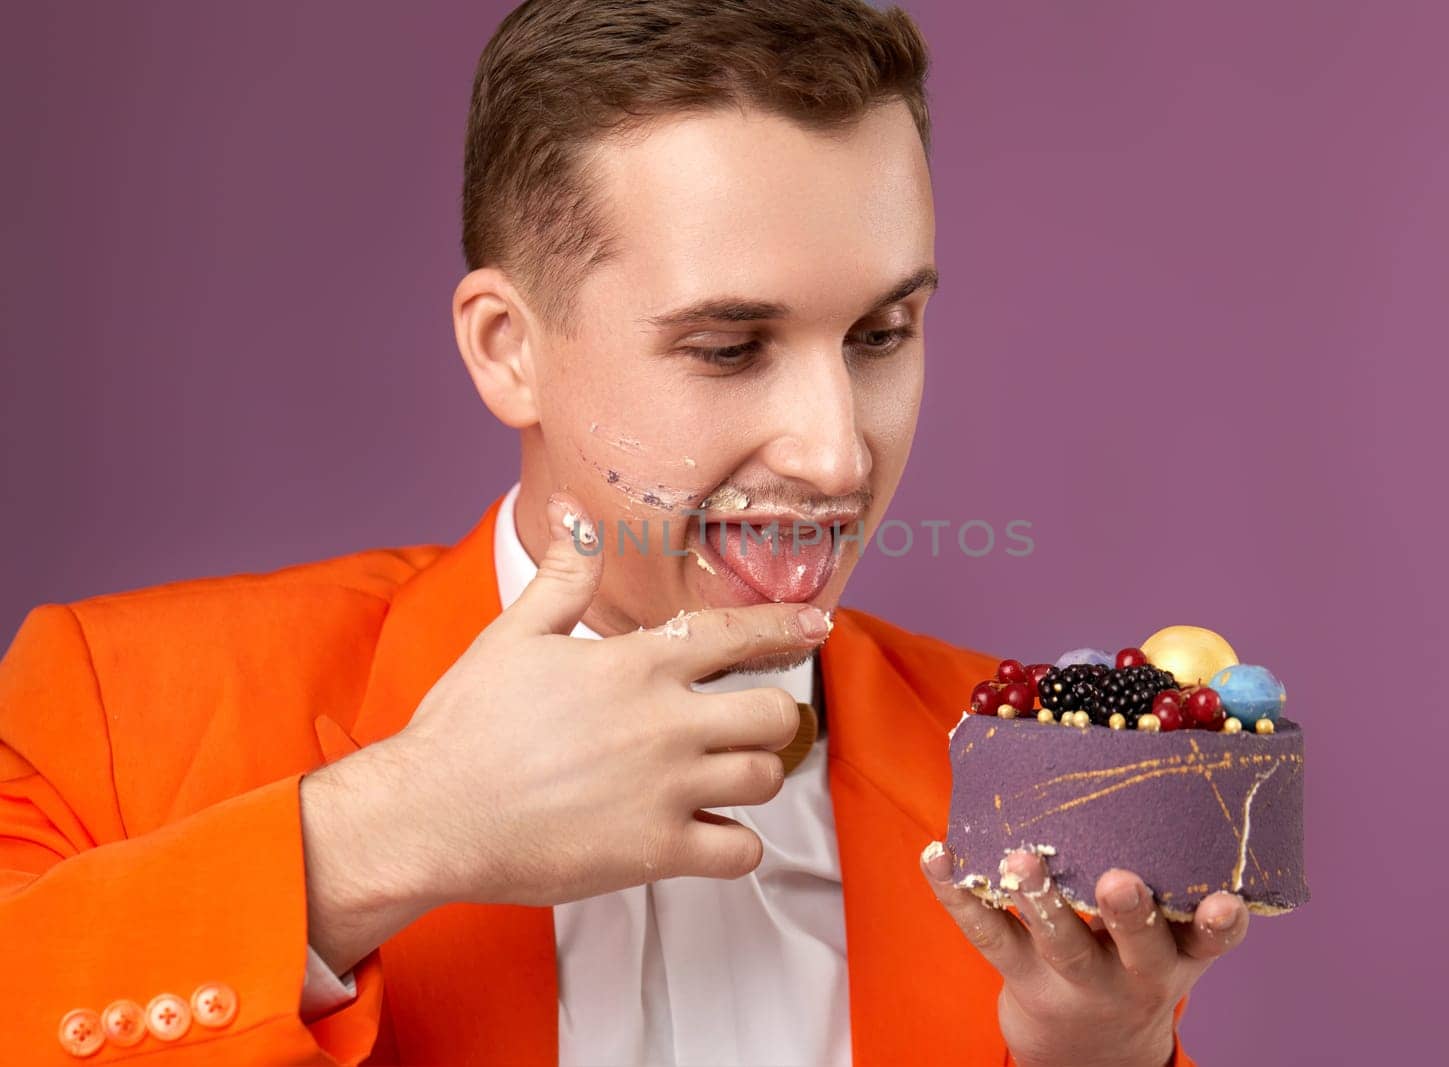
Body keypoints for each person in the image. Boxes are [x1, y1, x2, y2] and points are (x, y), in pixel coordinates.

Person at [0, 2, 1250, 1063]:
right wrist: (379, 834)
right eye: (727, 346)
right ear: (509, 349)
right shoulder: (112, 708)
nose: (836, 453)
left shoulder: (1021, 786)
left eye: (881, 335)